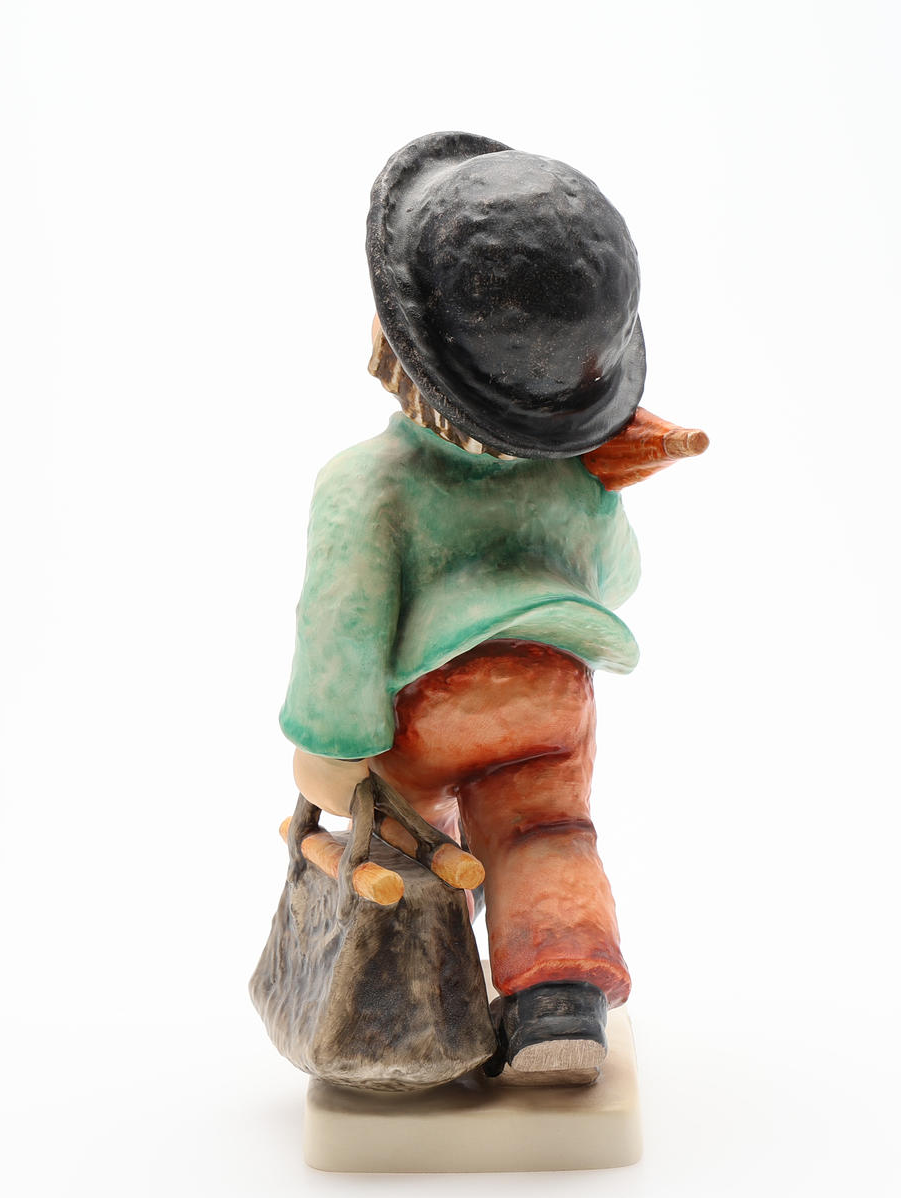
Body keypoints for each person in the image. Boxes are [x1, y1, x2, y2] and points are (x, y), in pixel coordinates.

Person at [281, 132, 698, 1077]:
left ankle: (428, 998)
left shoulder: (366, 485)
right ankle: (559, 994)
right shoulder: (574, 477)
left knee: (416, 839)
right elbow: (614, 577)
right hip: (551, 699)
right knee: (547, 832)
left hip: (422, 719)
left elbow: (341, 629)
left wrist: (328, 751)